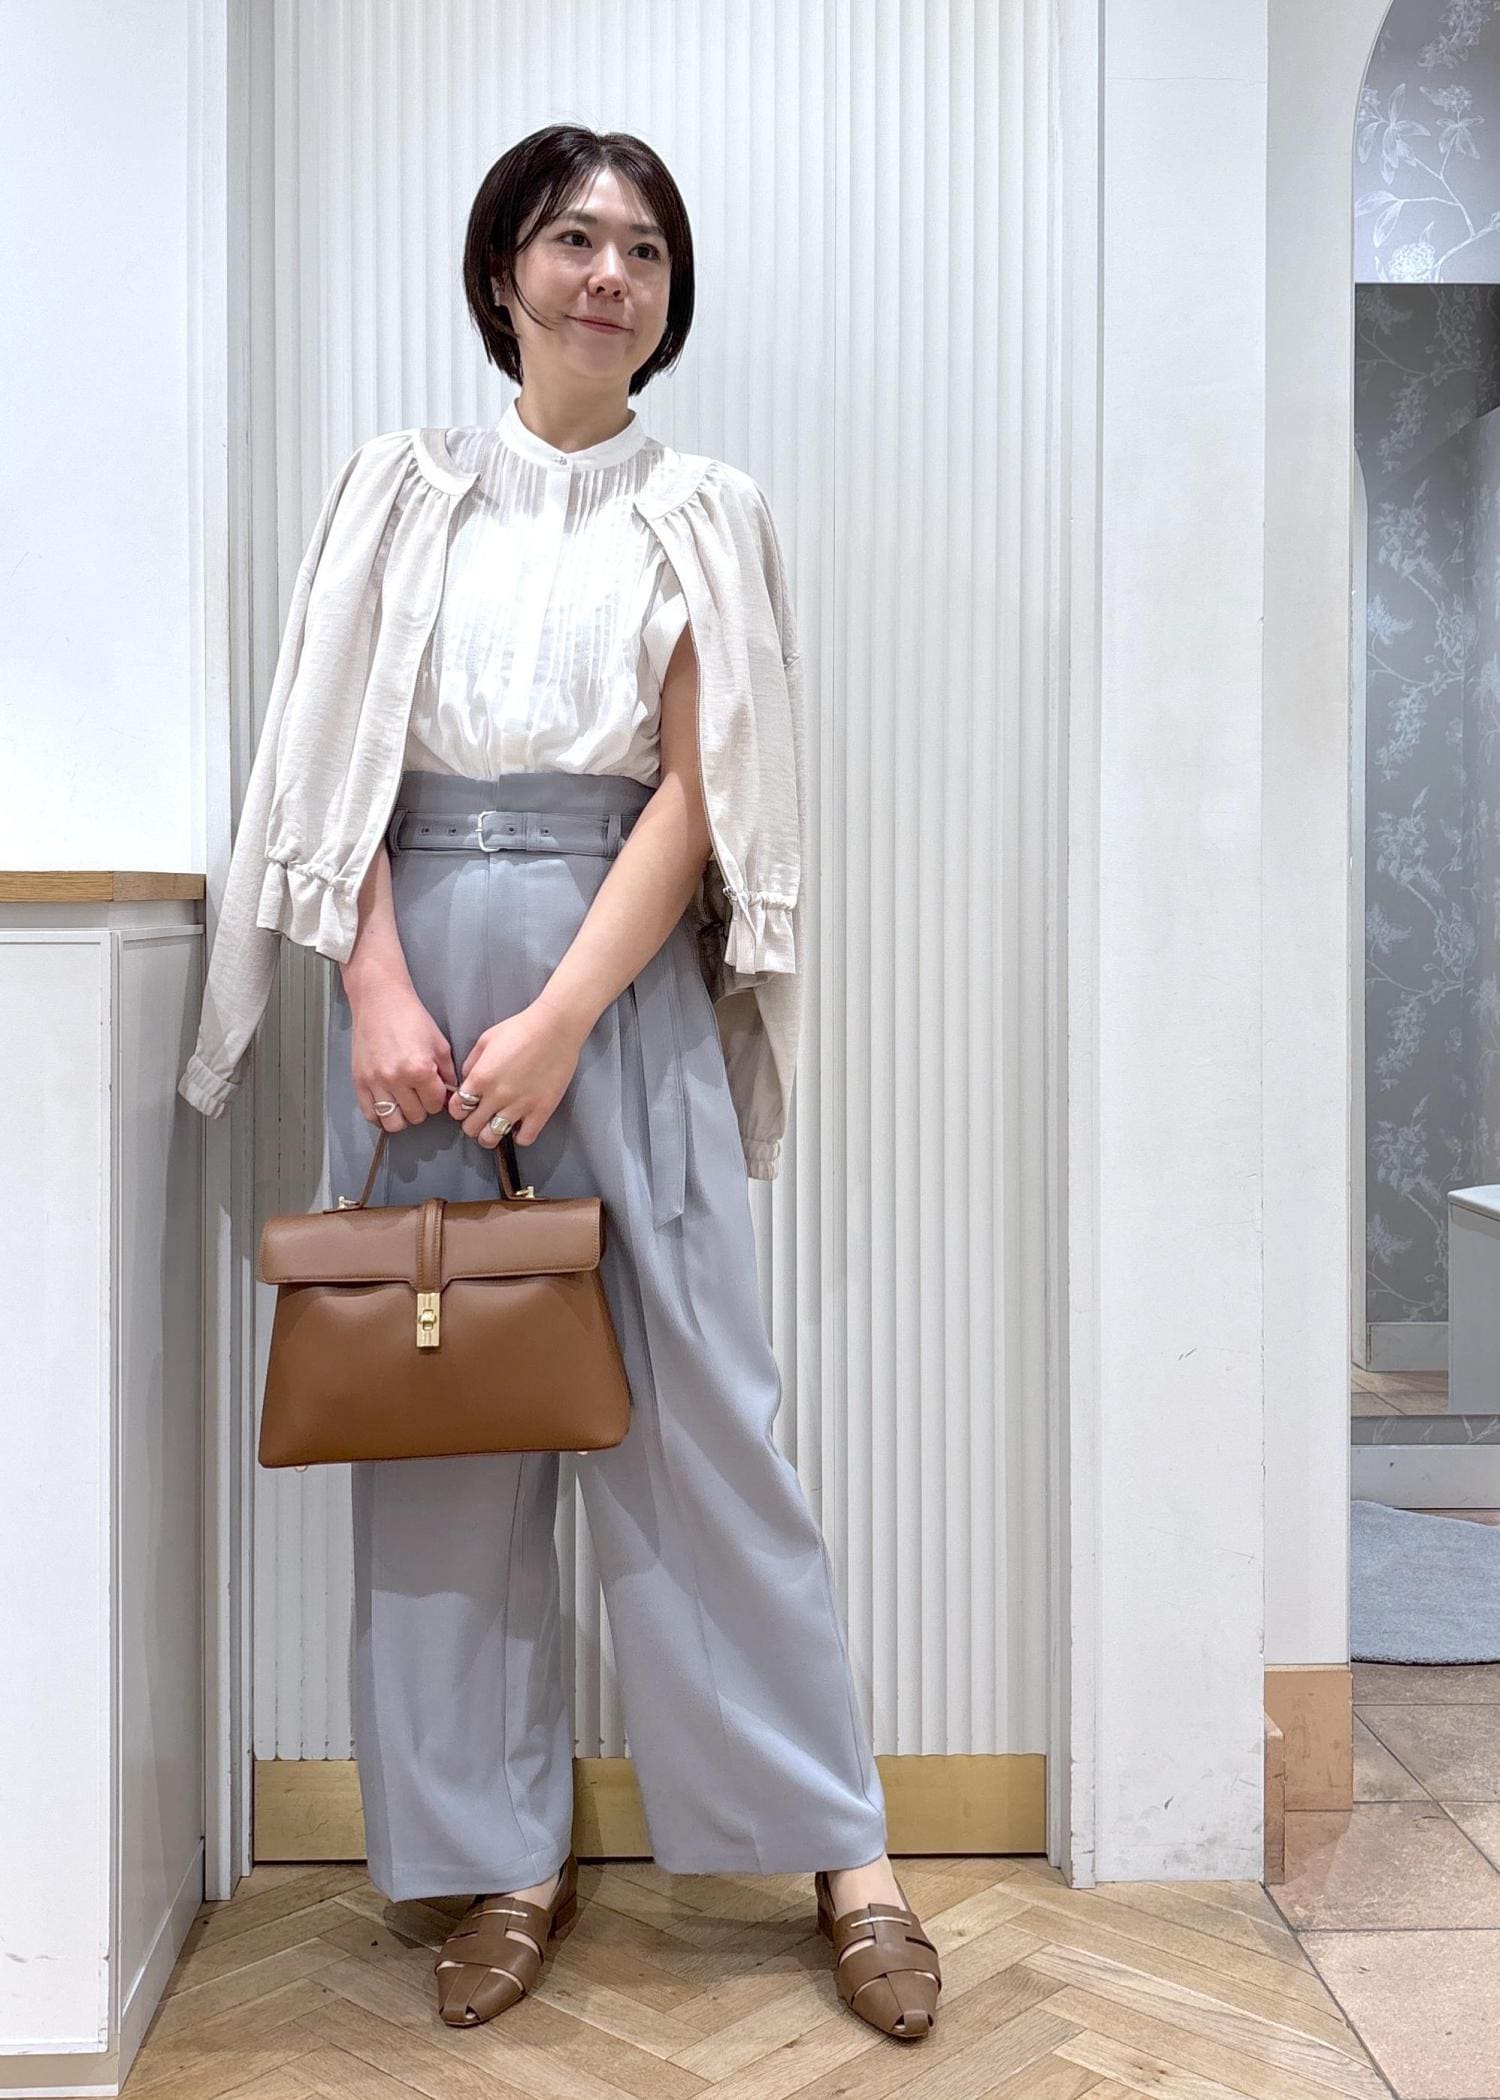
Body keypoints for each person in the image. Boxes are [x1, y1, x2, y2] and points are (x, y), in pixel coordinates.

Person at [178, 122, 941, 2040]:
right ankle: (499, 1856)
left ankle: (843, 1849)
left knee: (703, 1422)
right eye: (573, 238)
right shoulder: (397, 493)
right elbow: (332, 757)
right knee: (449, 1421)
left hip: (616, 982)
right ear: (503, 270)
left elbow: (702, 790)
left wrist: (571, 1014)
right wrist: (371, 984)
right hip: (416, 985)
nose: (610, 275)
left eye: (646, 251)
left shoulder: (705, 511)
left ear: (671, 300)